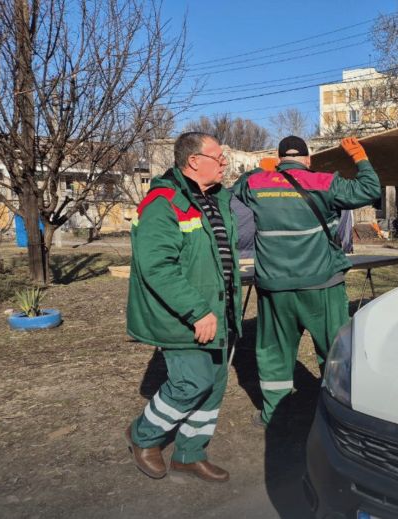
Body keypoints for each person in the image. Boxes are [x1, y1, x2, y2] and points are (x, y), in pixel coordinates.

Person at [232, 135, 380, 428]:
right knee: (333, 348)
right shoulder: (325, 182)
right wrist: (360, 158)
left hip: (275, 288)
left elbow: (236, 189)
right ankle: (337, 413)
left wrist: (260, 171)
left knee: (274, 349)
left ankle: (273, 412)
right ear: (308, 160)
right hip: (322, 284)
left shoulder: (256, 184)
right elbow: (370, 189)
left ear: (278, 158)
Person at [125, 132, 242, 482]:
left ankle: (190, 453)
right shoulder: (163, 202)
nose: (225, 164)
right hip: (186, 316)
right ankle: (143, 436)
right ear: (194, 161)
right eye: (219, 158)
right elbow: (157, 265)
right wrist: (196, 310)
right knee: (192, 382)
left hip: (220, 312)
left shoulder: (217, 198)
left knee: (214, 384)